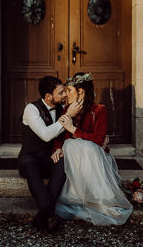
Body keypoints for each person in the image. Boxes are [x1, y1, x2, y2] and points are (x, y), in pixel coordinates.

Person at [53, 72, 133, 225]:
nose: (66, 95)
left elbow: (98, 139)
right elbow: (60, 136)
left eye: (69, 90)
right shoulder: (68, 109)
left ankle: (96, 200)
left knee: (82, 146)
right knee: (70, 145)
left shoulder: (99, 109)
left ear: (80, 91)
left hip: (93, 156)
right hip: (75, 157)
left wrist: (73, 130)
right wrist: (57, 148)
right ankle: (76, 199)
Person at [18, 76, 82, 232]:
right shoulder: (31, 109)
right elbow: (45, 134)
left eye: (65, 92)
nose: (65, 95)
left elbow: (67, 136)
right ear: (48, 96)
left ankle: (44, 215)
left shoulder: (62, 109)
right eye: (61, 93)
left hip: (49, 157)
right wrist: (68, 117)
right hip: (29, 157)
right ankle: (49, 213)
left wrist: (60, 148)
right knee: (30, 166)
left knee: (64, 163)